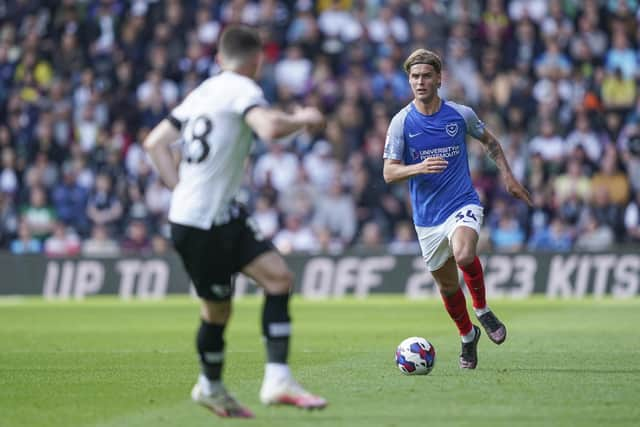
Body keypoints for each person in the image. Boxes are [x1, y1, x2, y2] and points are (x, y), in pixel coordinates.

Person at [143, 26, 327, 418]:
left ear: (220, 56)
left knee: (278, 279)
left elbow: (154, 143)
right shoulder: (243, 89)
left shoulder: (204, 91)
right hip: (202, 224)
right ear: (256, 59)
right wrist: (303, 117)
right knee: (216, 312)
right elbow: (271, 128)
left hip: (217, 213)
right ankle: (210, 386)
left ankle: (276, 380)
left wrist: (179, 189)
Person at [382, 49, 532, 369]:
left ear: (439, 79)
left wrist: (508, 176)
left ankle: (482, 309)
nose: (420, 82)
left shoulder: (459, 115)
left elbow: (491, 142)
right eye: (414, 77)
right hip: (427, 219)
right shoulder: (401, 123)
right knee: (448, 287)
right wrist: (418, 167)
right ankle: (467, 337)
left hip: (461, 202)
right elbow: (389, 172)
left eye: (425, 76)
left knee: (464, 255)